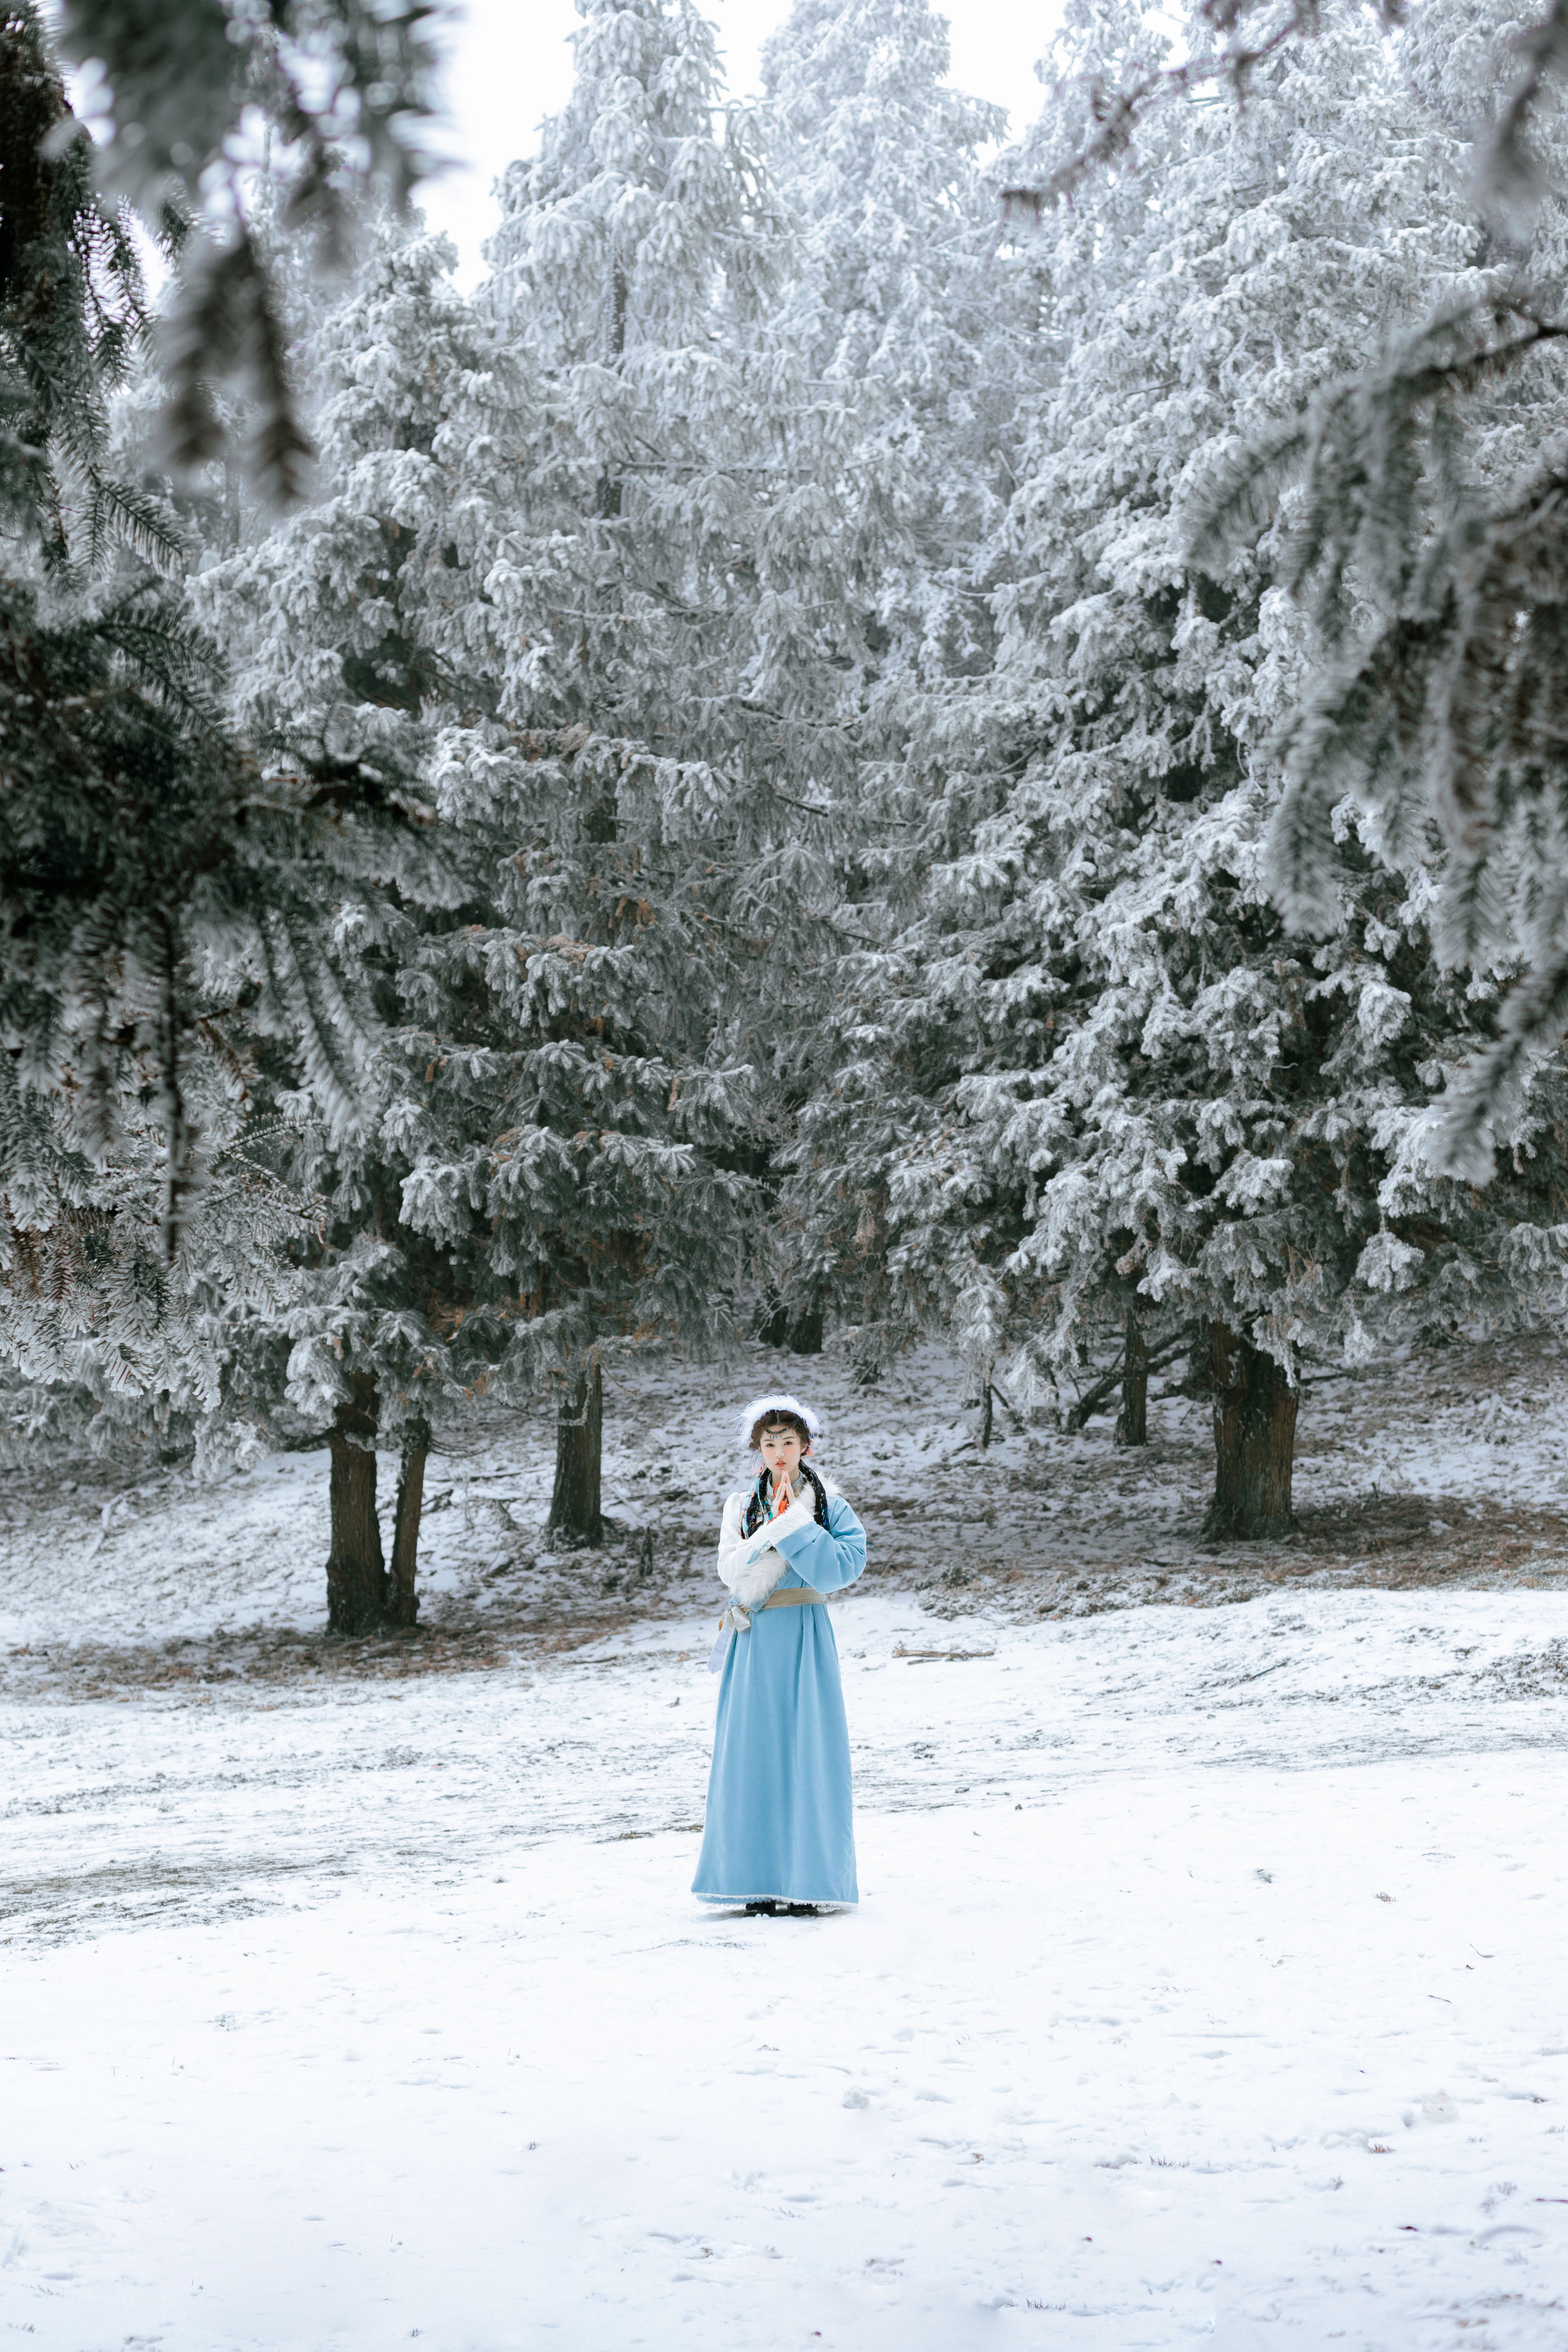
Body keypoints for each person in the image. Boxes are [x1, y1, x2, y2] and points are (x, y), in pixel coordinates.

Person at [692, 1394, 867, 1915]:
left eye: (788, 1441)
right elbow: (729, 1571)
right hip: (755, 1636)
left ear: (805, 1446)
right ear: (758, 1451)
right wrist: (775, 1526)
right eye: (769, 1443)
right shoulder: (740, 1506)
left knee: (808, 1750)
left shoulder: (831, 1504)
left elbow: (842, 1569)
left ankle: (808, 1883)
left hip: (805, 1636)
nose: (779, 1452)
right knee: (754, 1754)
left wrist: (798, 1524)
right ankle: (755, 1881)